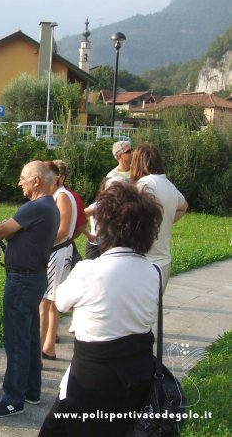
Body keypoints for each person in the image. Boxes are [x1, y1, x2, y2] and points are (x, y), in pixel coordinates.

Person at [39, 181, 163, 436]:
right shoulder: (154, 271)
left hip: (94, 376)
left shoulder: (88, 270)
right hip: (138, 371)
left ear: (106, 227)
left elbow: (61, 302)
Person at [0, 161, 59, 417]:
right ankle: (31, 390)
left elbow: (1, 230)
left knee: (17, 340)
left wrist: (6, 227)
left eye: (22, 178)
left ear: (36, 181)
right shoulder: (50, 206)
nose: (20, 183)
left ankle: (12, 399)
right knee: (29, 337)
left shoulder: (35, 206)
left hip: (22, 280)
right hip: (35, 278)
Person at [130, 144, 188, 291]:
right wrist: (165, 221)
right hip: (163, 261)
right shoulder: (168, 185)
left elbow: (133, 217)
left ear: (138, 162)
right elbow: (184, 206)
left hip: (144, 261)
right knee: (153, 310)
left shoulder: (145, 184)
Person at [40, 160, 77, 360]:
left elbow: (63, 230)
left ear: (59, 178)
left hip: (57, 252)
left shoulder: (62, 195)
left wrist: (40, 243)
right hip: (57, 251)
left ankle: (42, 348)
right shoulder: (58, 194)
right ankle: (48, 346)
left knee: (45, 303)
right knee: (50, 302)